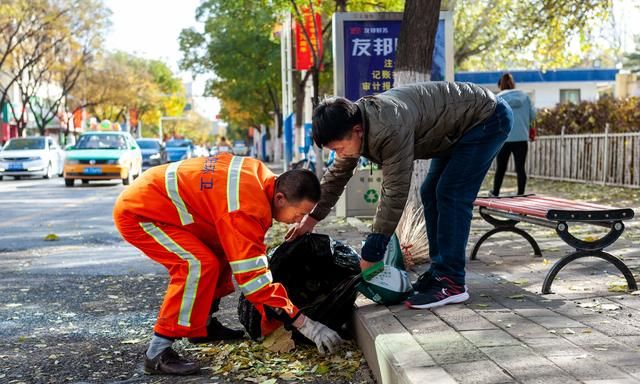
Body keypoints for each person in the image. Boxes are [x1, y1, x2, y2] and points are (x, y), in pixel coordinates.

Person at [286, 82, 512, 310]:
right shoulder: (355, 125)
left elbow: (394, 190)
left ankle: (452, 282)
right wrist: (311, 219)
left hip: (486, 118)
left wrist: (372, 251)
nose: (339, 154)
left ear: (357, 131)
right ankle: (440, 271)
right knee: (430, 191)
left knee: (451, 193)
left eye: (338, 148)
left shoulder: (388, 128)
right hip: (458, 125)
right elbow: (335, 177)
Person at [113, 153, 343, 376]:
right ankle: (157, 353)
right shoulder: (245, 209)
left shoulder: (260, 176)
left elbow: (246, 252)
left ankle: (203, 326)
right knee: (196, 265)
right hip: (141, 212)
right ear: (281, 198)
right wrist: (306, 325)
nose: (299, 220)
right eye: (300, 213)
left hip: (162, 201)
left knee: (220, 252)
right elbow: (254, 283)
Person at [490, 73, 537, 196]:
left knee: (501, 168)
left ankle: (495, 192)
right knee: (520, 168)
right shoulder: (525, 97)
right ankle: (521, 193)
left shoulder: (497, 98)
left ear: (501, 85)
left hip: (503, 138)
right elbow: (533, 116)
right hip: (521, 138)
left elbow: (493, 118)